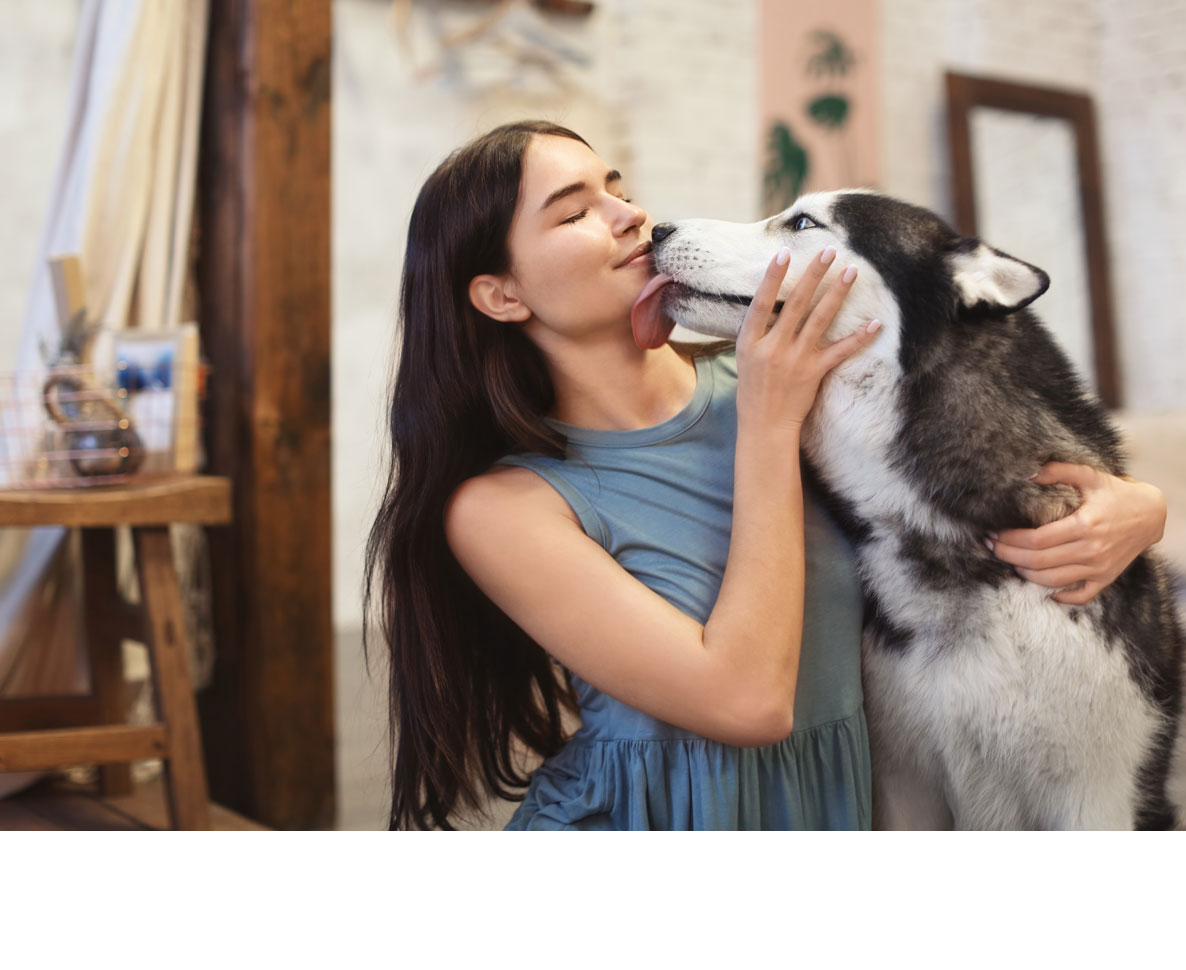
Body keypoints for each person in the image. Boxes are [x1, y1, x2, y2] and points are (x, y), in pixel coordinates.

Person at [363, 120, 1168, 831]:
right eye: (574, 212)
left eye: (617, 187)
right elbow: (745, 701)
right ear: (501, 295)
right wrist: (770, 421)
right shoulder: (503, 507)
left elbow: (969, 475)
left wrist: (1140, 508)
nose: (628, 214)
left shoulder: (796, 387)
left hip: (849, 811)